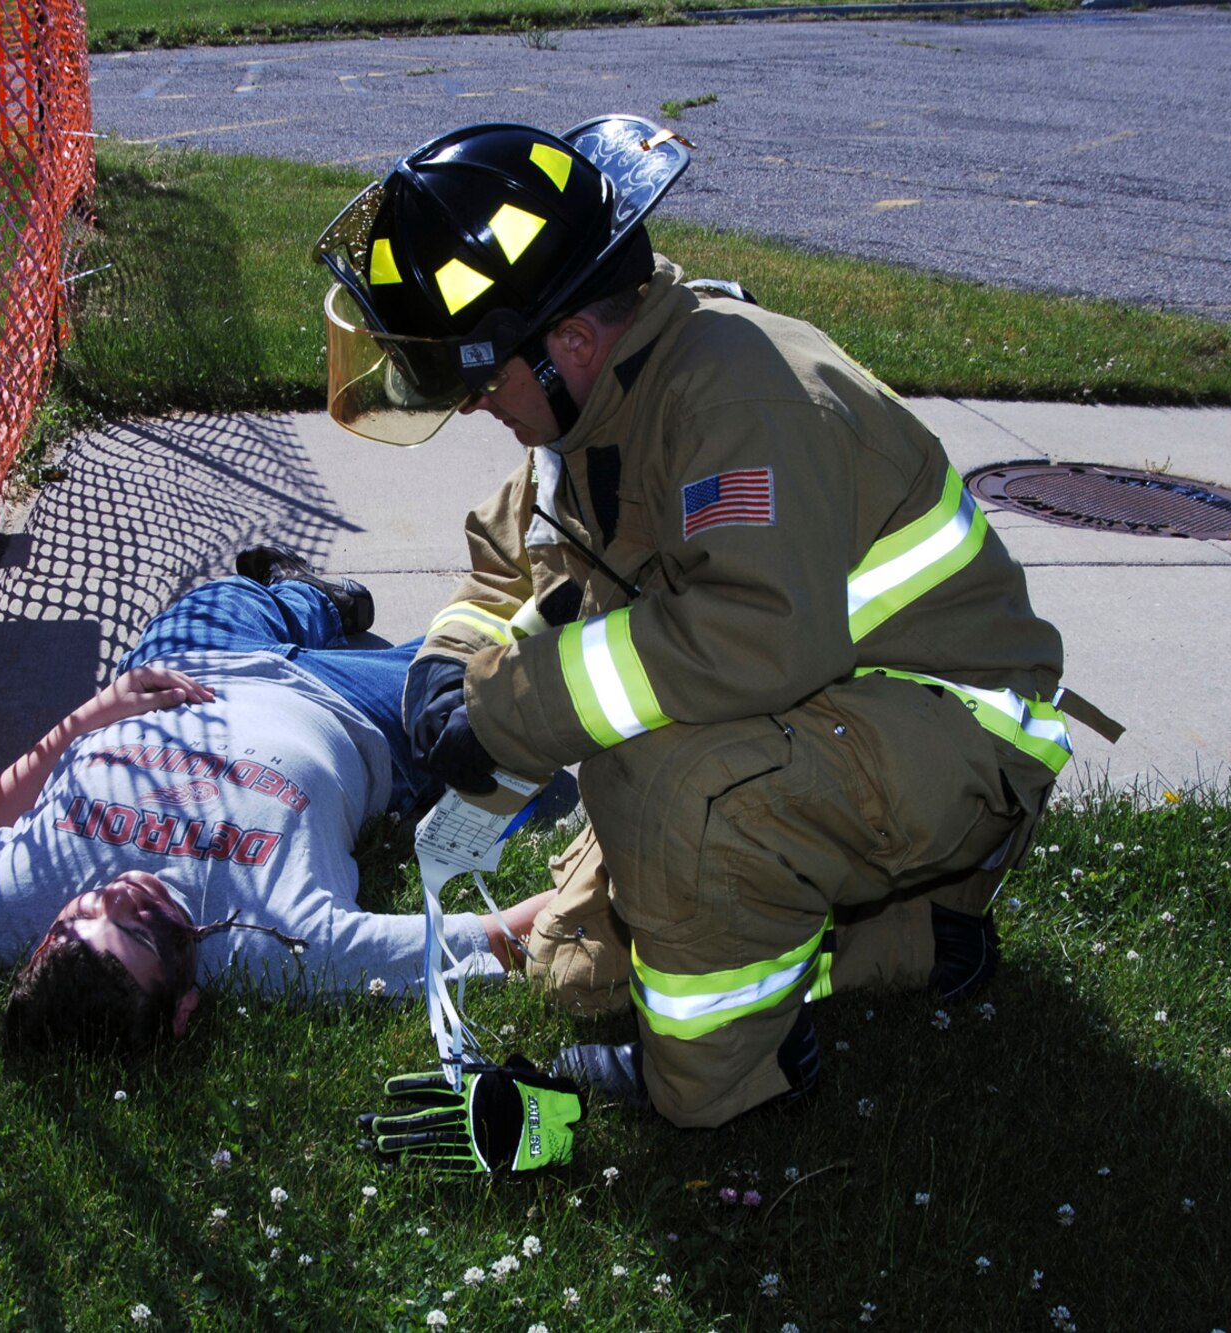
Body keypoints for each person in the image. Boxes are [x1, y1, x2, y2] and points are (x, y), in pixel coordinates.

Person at [313, 114, 1118, 1128]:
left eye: (482, 378)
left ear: (566, 340)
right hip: (819, 712)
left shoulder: (735, 395)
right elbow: (508, 557)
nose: (474, 404)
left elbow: (751, 633)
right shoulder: (594, 406)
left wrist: (509, 708)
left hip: (949, 720)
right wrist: (449, 662)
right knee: (575, 968)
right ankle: (915, 939)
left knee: (679, 800)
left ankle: (715, 1090)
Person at [0, 549, 557, 1054]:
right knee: (503, 681)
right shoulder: (278, 948)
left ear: (40, 943)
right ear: (184, 1007)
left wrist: (91, 716)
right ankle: (317, 613)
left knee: (228, 597)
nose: (122, 889)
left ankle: (305, 596)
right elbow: (501, 936)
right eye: (141, 926)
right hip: (349, 710)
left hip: (193, 663)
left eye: (82, 913)